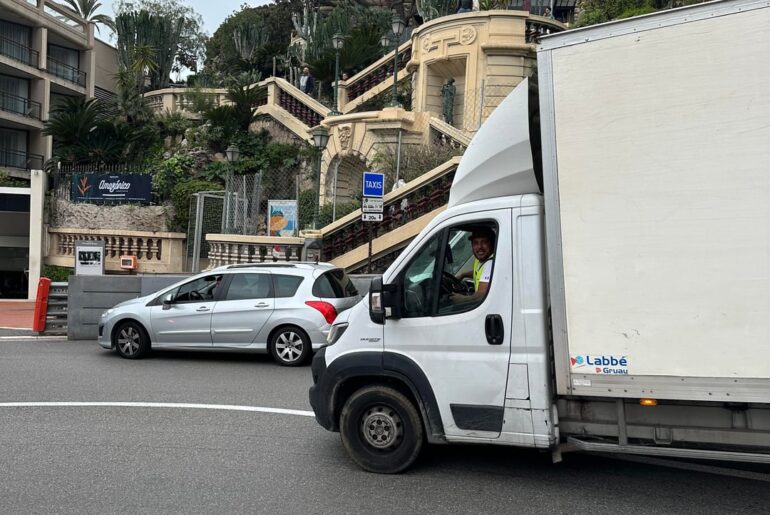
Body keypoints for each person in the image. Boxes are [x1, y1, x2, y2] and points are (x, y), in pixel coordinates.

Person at [452, 227, 495, 303]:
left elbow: (482, 294)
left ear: (492, 244)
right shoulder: (481, 261)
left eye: (484, 242)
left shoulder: (490, 264)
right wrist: (463, 275)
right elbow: (478, 272)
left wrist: (463, 299)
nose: (479, 247)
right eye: (476, 243)